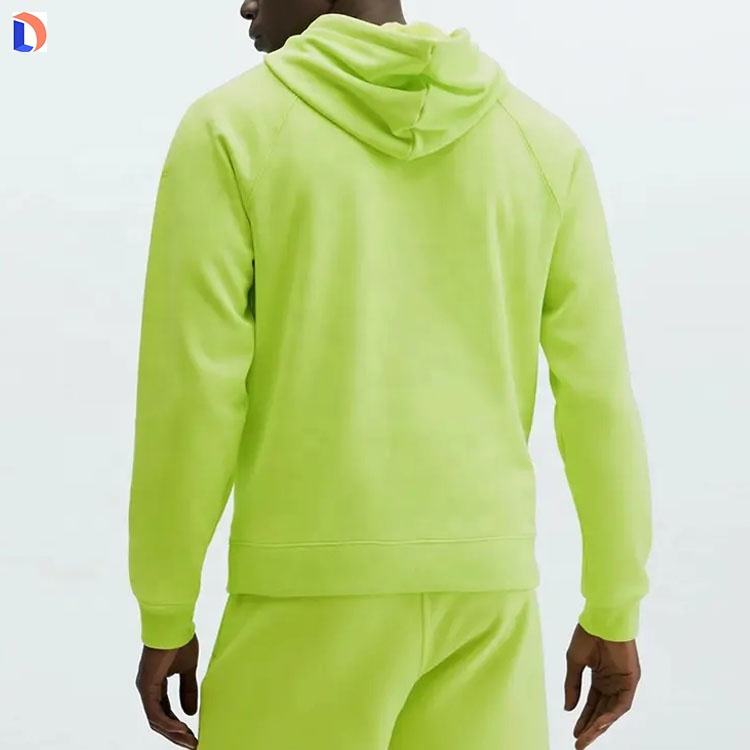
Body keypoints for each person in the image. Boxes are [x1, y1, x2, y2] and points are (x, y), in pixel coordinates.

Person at [128, 1, 652, 748]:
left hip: (304, 595)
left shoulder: (231, 131)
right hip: (486, 597)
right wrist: (614, 608)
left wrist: (165, 607)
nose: (245, 4)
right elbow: (599, 396)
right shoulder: (539, 144)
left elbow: (193, 395)